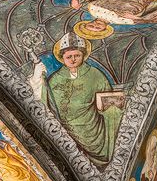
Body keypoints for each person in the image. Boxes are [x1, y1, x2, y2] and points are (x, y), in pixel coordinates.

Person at [30, 32, 123, 165]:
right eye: (69, 56)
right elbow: (44, 103)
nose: (73, 59)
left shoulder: (95, 75)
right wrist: (38, 79)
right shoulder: (55, 79)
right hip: (64, 134)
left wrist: (112, 111)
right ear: (62, 58)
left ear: (83, 56)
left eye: (77, 55)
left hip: (91, 132)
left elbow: (108, 102)